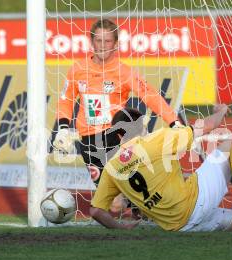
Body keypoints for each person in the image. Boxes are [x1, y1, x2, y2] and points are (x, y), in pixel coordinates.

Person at [89, 104, 232, 231]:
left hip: (180, 227)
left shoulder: (111, 168)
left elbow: (96, 211)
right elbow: (207, 125)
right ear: (142, 126)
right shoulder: (154, 140)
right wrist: (221, 112)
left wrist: (122, 228)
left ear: (117, 135)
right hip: (196, 201)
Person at [53, 18, 181, 186]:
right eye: (99, 40)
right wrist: (62, 128)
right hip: (89, 141)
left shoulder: (124, 72)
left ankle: (141, 207)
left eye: (108, 41)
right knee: (112, 202)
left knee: (134, 189)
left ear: (115, 44)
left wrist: (174, 121)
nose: (103, 45)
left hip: (117, 136)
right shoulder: (77, 69)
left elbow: (149, 95)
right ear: (92, 42)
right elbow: (66, 100)